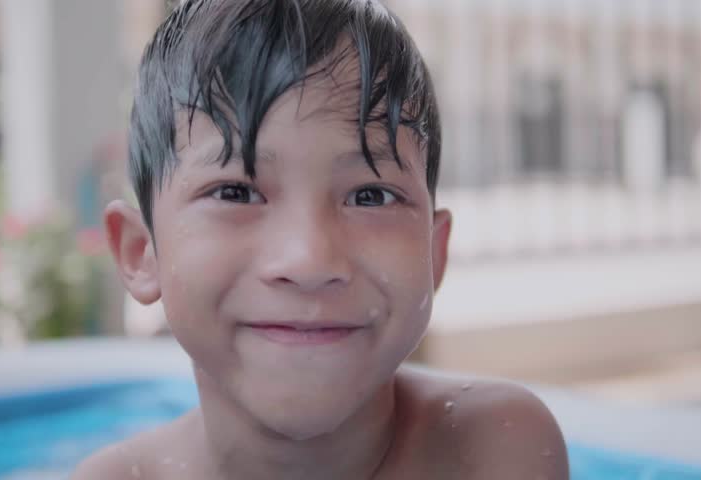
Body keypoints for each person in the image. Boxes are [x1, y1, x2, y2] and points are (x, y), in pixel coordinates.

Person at [74, 0, 568, 478]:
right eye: (235, 192)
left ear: (433, 253)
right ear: (142, 253)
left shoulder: (491, 451)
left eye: (371, 196)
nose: (309, 260)